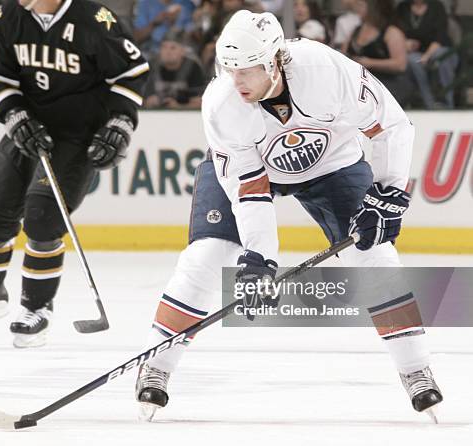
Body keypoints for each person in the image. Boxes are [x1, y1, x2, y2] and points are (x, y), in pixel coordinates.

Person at [134, 10, 442, 422]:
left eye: (246, 70)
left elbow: (391, 126)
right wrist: (261, 259)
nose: (236, 81)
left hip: (333, 164)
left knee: (375, 256)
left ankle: (415, 369)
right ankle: (157, 364)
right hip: (256, 171)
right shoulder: (222, 103)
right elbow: (250, 187)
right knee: (207, 256)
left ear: (274, 61)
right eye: (229, 69)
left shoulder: (326, 70)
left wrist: (387, 191)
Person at [0, 0, 149, 348]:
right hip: (28, 129)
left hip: (77, 135)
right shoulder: (7, 17)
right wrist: (14, 116)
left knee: (43, 219)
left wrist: (119, 122)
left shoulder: (93, 20)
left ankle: (37, 307)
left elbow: (131, 73)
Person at [346, 0, 414, 107]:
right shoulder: (356, 30)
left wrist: (370, 63)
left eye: (361, 5)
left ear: (373, 8)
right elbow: (344, 54)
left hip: (387, 84)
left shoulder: (391, 31)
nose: (357, 9)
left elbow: (400, 64)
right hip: (360, 84)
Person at [396, 0, 458, 109]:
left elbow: (440, 36)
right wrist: (405, 42)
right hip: (415, 52)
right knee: (413, 60)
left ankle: (448, 103)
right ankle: (429, 103)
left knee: (440, 56)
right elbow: (395, 31)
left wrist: (427, 55)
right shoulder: (402, 7)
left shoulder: (437, 6)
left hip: (438, 48)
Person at [144, 31, 205, 109]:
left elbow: (199, 103)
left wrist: (178, 106)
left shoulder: (193, 67)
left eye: (173, 48)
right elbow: (136, 98)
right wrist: (147, 102)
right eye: (164, 47)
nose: (167, 52)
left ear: (182, 51)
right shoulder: (150, 66)